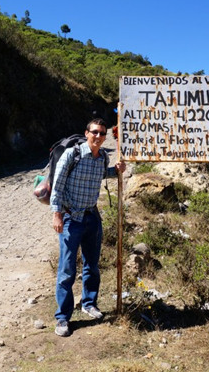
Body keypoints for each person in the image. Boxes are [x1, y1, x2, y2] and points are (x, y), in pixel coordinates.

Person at [50, 118, 125, 337]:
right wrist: (56, 215)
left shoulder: (102, 157)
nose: (99, 137)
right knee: (66, 269)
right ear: (86, 133)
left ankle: (88, 303)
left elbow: (101, 175)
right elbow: (58, 185)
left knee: (92, 264)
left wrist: (116, 170)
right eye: (95, 133)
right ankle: (62, 318)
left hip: (92, 217)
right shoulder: (72, 155)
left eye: (102, 133)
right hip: (71, 218)